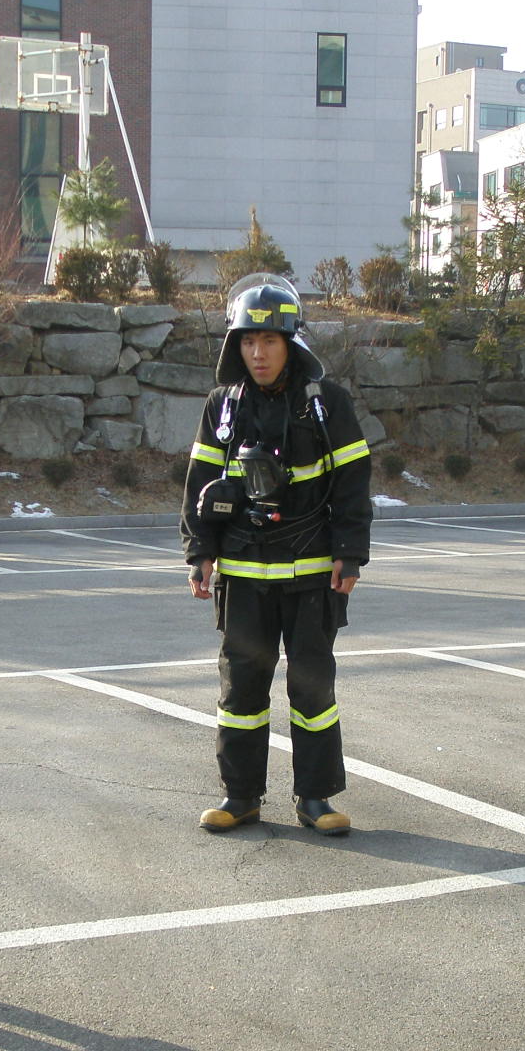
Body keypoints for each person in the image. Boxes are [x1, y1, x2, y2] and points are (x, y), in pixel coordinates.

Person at [180, 282, 372, 834]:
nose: (258, 353)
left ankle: (316, 798)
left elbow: (353, 483)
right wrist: (200, 551)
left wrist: (350, 554)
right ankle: (240, 796)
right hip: (242, 575)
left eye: (269, 341)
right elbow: (199, 483)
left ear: (291, 342)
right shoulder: (223, 406)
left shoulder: (326, 403)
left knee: (312, 688)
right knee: (241, 687)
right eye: (248, 341)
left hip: (311, 573)